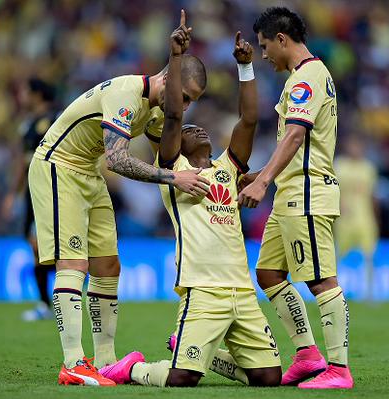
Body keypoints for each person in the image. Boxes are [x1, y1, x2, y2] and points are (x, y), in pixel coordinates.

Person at [28, 10, 210, 386]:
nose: (186, 106)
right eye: (186, 97)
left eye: (191, 102)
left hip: (88, 172)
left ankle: (106, 359)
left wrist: (206, 161)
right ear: (167, 80)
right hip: (57, 165)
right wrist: (176, 177)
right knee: (73, 263)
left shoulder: (160, 111)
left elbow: (168, 154)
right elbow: (119, 159)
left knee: (108, 266)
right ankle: (74, 362)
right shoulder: (127, 93)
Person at [98, 26, 281, 388]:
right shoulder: (174, 170)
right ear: (175, 144)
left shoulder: (229, 168)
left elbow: (249, 120)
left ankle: (201, 354)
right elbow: (173, 116)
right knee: (182, 378)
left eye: (200, 128)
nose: (196, 128)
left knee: (268, 378)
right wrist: (177, 57)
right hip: (202, 290)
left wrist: (245, 68)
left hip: (242, 291)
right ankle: (131, 368)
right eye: (187, 129)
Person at [237, 7, 353, 389]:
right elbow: (293, 142)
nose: (265, 54)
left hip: (306, 193)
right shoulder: (309, 76)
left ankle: (339, 370)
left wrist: (262, 182)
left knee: (321, 281)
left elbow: (296, 135)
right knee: (269, 273)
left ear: (282, 40)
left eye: (266, 46)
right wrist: (266, 173)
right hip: (291, 191)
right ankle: (307, 354)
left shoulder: (307, 78)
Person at [3, 77, 58, 322]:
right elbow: (22, 164)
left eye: (25, 90)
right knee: (37, 249)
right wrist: (13, 194)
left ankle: (60, 301)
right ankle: (46, 304)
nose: (21, 96)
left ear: (37, 94)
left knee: (47, 248)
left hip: (48, 193)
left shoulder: (54, 121)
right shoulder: (27, 124)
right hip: (31, 195)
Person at [335, 134, 379, 301]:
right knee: (338, 255)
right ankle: (335, 294)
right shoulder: (339, 165)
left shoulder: (368, 168)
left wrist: (376, 217)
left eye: (358, 145)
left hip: (365, 217)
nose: (355, 149)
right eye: (352, 145)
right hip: (344, 218)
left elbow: (373, 195)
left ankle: (370, 294)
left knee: (369, 255)